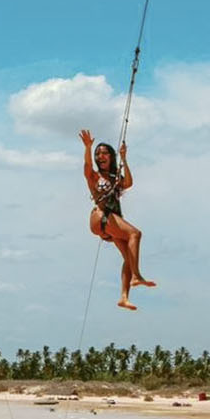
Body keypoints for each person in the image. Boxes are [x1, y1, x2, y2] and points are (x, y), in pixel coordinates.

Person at [80, 128, 155, 310]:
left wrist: (124, 158)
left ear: (111, 157)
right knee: (135, 234)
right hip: (101, 217)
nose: (101, 156)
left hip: (111, 221)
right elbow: (87, 165)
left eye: (105, 153)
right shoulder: (94, 176)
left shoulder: (115, 178)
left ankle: (124, 297)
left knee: (129, 257)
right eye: (98, 154)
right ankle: (136, 276)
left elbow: (128, 183)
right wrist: (88, 147)